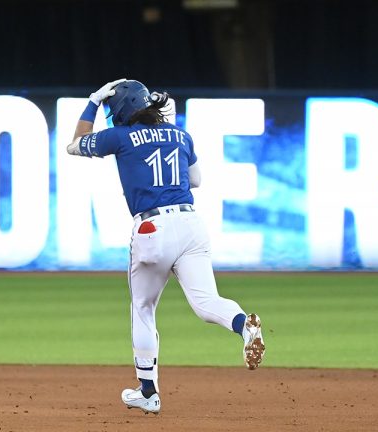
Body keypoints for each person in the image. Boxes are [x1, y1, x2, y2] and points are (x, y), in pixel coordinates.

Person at [67, 79, 265, 415]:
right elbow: (197, 179)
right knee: (206, 302)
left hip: (152, 226)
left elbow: (75, 145)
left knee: (143, 308)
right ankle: (243, 323)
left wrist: (93, 102)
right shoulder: (181, 134)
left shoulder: (120, 136)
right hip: (191, 224)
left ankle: (148, 392)